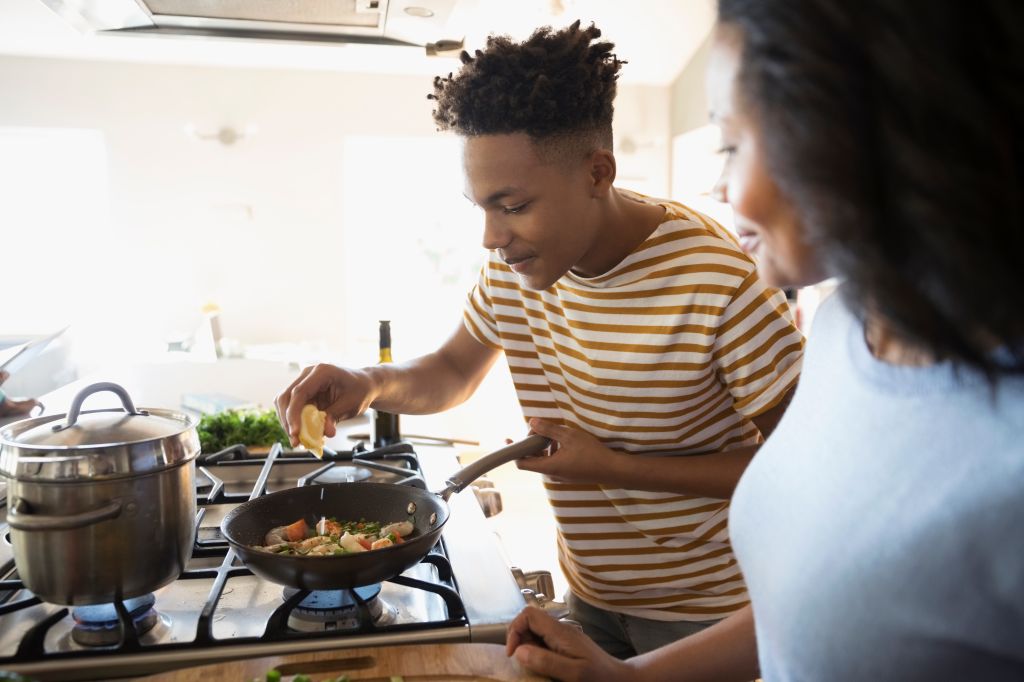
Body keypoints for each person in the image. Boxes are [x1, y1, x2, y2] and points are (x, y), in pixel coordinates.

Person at [504, 0, 1024, 680]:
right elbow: (806, 600)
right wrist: (627, 677)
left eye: (730, 144)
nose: (719, 186)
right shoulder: (846, 329)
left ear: (844, 138)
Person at [276, 21, 803, 656]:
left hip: (710, 616)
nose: (492, 237)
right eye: (482, 208)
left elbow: (800, 471)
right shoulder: (517, 265)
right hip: (591, 596)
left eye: (513, 206)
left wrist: (610, 465)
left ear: (597, 173)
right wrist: (370, 383)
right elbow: (451, 370)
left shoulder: (719, 279)